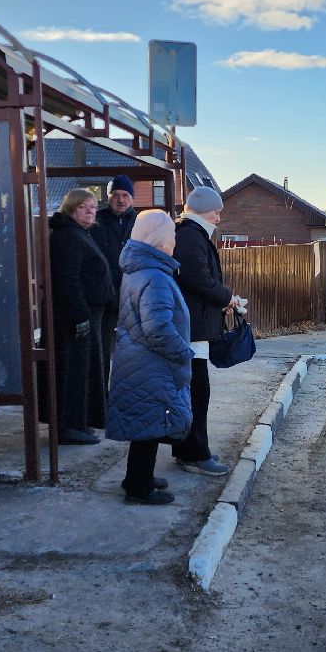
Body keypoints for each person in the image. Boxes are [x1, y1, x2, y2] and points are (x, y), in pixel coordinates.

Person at [106, 210, 193, 505]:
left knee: (147, 422)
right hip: (151, 363)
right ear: (157, 238)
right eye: (170, 235)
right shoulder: (155, 277)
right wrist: (183, 352)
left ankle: (137, 476)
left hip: (138, 360)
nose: (174, 241)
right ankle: (138, 488)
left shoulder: (139, 270)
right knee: (150, 423)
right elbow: (158, 328)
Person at [170, 185, 243, 477]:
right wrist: (226, 298)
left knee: (194, 392)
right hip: (192, 330)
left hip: (195, 326)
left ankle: (188, 450)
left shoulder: (191, 233)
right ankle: (195, 454)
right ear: (202, 209)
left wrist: (222, 301)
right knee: (197, 393)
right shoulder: (190, 235)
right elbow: (196, 277)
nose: (219, 218)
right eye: (216, 212)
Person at [48, 189, 115, 445]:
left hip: (89, 314)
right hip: (75, 318)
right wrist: (79, 316)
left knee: (84, 371)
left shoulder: (79, 234)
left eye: (92, 207)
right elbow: (67, 280)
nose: (90, 211)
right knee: (72, 372)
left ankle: (80, 422)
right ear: (71, 209)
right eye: (83, 207)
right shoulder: (67, 237)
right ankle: (68, 426)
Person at [89, 175, 137, 397]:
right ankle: (102, 399)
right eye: (115, 195)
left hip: (133, 297)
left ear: (132, 198)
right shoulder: (95, 222)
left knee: (134, 351)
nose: (120, 200)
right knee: (100, 349)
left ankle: (129, 395)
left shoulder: (141, 222)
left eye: (125, 195)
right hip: (104, 297)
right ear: (107, 197)